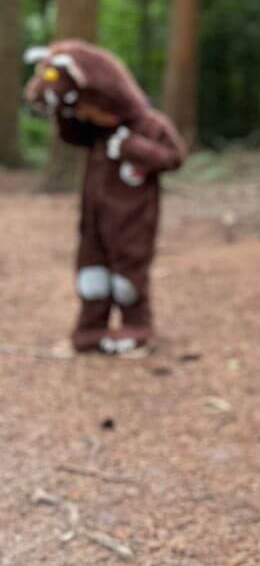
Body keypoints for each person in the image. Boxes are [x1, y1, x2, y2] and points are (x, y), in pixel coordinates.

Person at [23, 40, 187, 353]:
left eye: (89, 109)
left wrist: (132, 148)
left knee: (128, 275)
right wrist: (63, 109)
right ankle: (90, 329)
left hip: (133, 219)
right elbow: (70, 135)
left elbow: (174, 156)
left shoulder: (149, 125)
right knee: (91, 273)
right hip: (93, 218)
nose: (86, 115)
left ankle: (136, 327)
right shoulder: (97, 131)